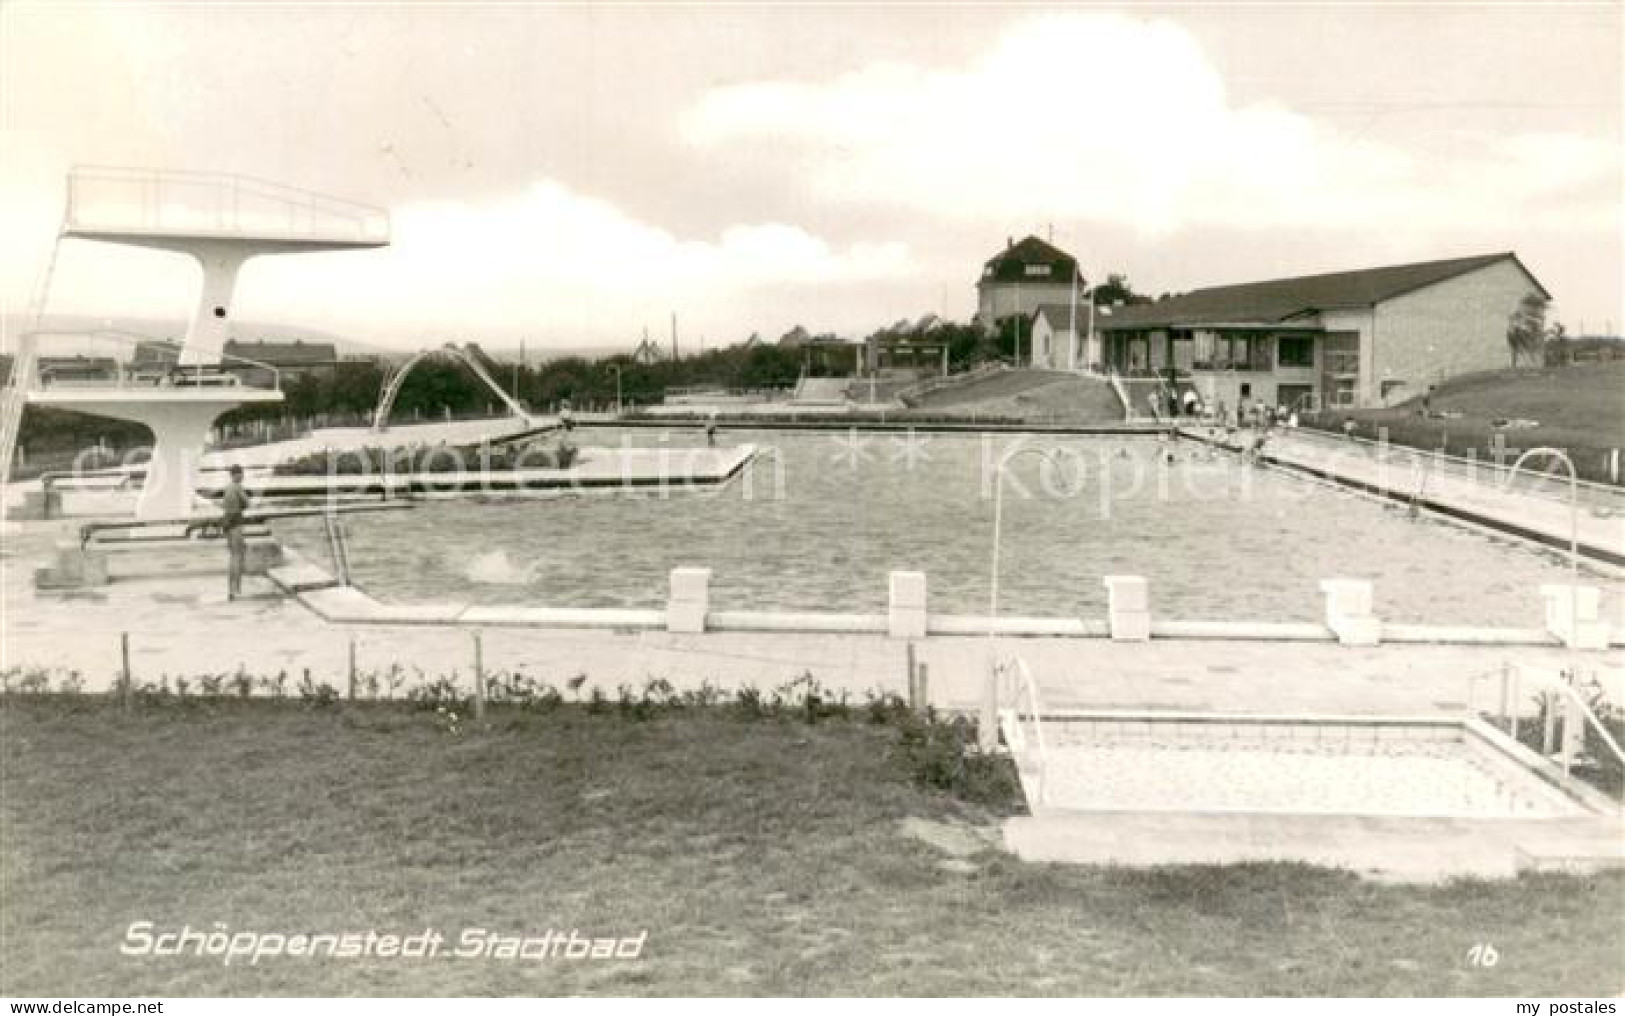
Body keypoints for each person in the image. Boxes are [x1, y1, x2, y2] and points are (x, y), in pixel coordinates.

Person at [220, 464, 251, 601]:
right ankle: (235, 589)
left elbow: (225, 506)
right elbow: (247, 503)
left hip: (227, 523)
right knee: (237, 557)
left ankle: (231, 589)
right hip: (236, 523)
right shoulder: (237, 487)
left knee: (233, 556)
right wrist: (242, 505)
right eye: (241, 474)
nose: (243, 476)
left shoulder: (227, 488)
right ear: (236, 474)